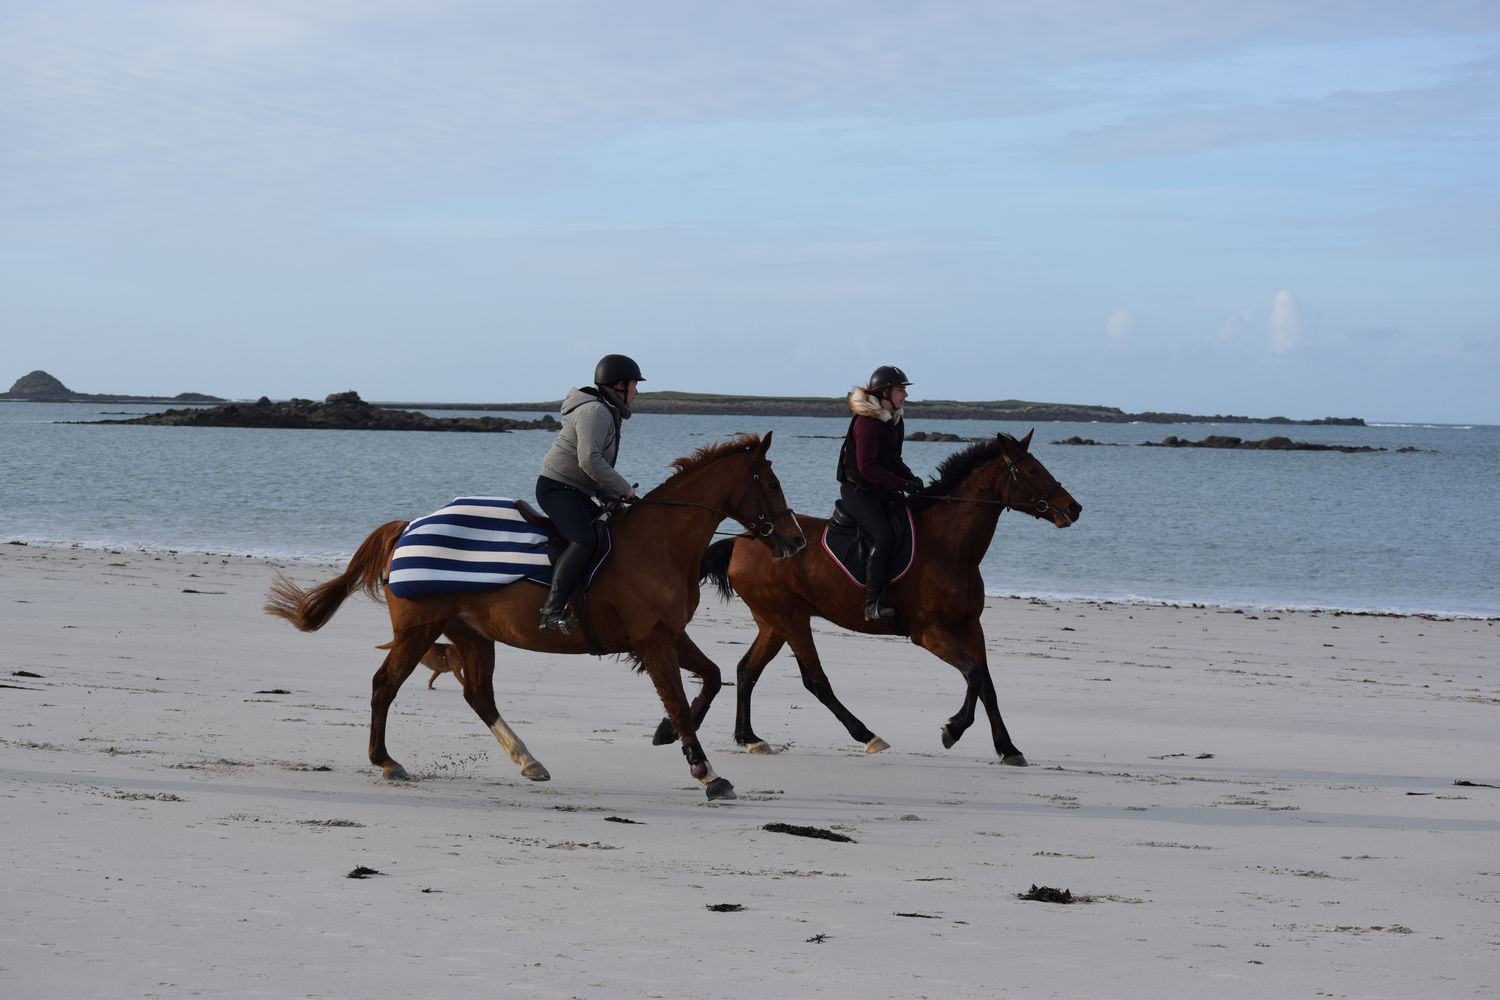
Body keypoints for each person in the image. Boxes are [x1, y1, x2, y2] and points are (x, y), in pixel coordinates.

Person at [534, 354, 644, 633]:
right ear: (620, 385)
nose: (637, 391)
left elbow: (594, 471)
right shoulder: (595, 411)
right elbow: (590, 460)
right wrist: (625, 490)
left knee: (612, 532)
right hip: (557, 487)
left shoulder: (606, 411)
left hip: (576, 489)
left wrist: (614, 499)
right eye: (634, 385)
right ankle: (552, 609)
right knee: (583, 540)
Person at [836, 364, 923, 622]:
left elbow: (893, 460)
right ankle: (872, 602)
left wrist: (911, 479)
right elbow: (867, 469)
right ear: (885, 392)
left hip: (879, 487)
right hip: (857, 490)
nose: (905, 395)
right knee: (884, 536)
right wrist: (900, 483)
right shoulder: (868, 423)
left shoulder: (894, 421)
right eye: (900, 390)